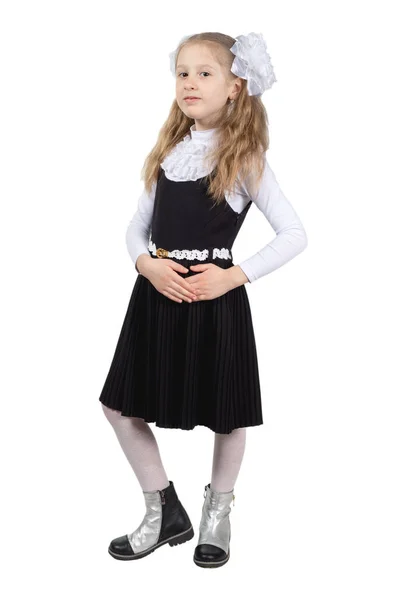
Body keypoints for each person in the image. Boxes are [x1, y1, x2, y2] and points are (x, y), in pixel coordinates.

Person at [99, 31, 308, 568]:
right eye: (182, 72)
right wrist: (146, 263)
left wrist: (234, 275)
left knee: (228, 414)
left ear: (236, 86)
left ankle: (217, 513)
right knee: (118, 406)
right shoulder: (169, 152)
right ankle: (162, 508)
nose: (189, 82)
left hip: (214, 301)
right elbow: (135, 228)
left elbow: (293, 233)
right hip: (156, 296)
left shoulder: (246, 158)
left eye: (204, 73)